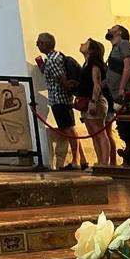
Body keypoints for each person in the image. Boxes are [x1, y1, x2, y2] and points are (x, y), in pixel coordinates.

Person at [35, 32, 87, 170]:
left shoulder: (51, 60)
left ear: (45, 45)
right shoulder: (58, 56)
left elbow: (61, 78)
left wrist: (67, 85)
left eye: (39, 42)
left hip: (59, 99)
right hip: (63, 98)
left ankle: (75, 161)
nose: (37, 44)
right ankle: (82, 159)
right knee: (70, 128)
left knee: (68, 129)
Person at [104, 25, 130, 164]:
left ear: (119, 32)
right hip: (118, 95)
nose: (109, 29)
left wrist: (121, 88)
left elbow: (128, 66)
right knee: (125, 128)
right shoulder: (115, 48)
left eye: (112, 28)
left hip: (128, 93)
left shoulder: (124, 44)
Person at [77, 38, 111, 168]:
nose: (81, 44)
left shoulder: (94, 62)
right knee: (94, 134)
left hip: (95, 100)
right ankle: (99, 162)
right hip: (87, 100)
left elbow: (97, 84)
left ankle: (104, 163)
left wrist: (93, 101)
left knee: (100, 133)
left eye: (85, 43)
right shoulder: (86, 63)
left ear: (91, 48)